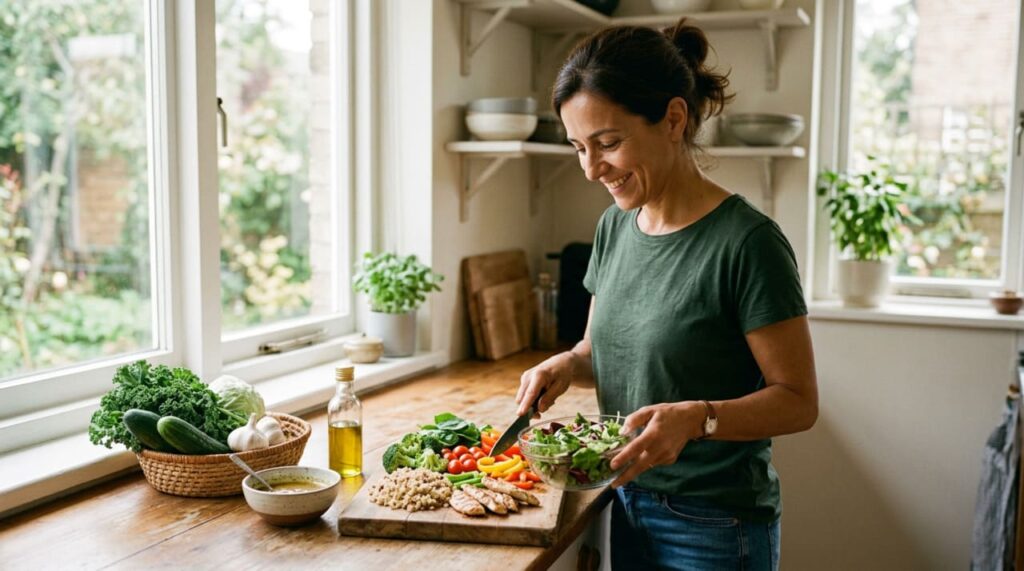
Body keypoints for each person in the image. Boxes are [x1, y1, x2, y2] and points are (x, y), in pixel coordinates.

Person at [514, 19, 818, 571]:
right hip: (625, 499)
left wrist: (698, 418)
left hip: (716, 524)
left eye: (607, 143)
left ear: (673, 119)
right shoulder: (614, 228)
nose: (590, 169)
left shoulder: (748, 243)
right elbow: (598, 352)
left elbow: (798, 401)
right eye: (579, 147)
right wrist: (564, 365)